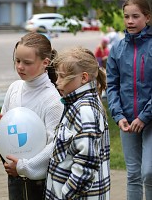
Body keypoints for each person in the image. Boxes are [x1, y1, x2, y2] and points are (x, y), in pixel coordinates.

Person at [0, 32, 64, 199]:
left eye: (27, 62)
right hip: (15, 178)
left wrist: (24, 166)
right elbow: (3, 135)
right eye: (17, 61)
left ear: (45, 63)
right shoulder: (14, 89)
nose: (20, 67)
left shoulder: (53, 100)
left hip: (41, 184)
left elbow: (55, 146)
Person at [46, 47, 110, 199]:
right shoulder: (76, 104)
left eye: (62, 77)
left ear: (83, 78)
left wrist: (66, 194)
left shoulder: (84, 110)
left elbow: (87, 164)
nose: (57, 81)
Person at [106, 0, 152, 200]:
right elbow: (112, 86)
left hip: (149, 120)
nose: (130, 21)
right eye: (126, 17)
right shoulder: (116, 49)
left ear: (147, 18)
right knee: (133, 174)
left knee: (149, 172)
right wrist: (118, 116)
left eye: (135, 16)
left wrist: (144, 117)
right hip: (127, 122)